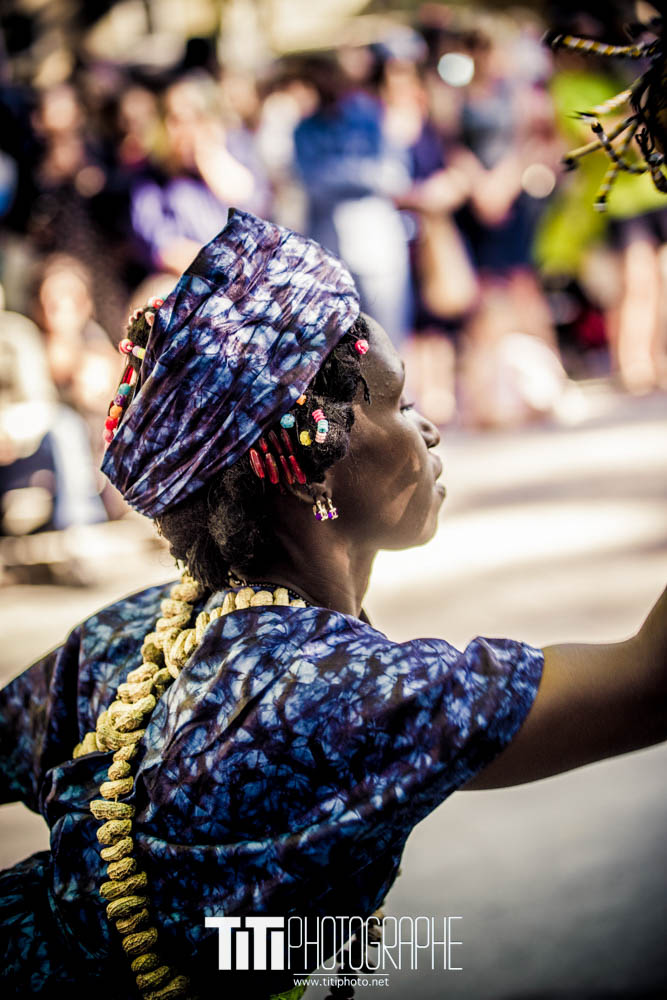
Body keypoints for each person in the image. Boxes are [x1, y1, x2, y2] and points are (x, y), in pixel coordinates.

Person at [0, 209, 664, 1000]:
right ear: (309, 464)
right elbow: (651, 681)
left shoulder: (144, 627)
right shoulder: (334, 695)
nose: (429, 428)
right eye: (398, 403)